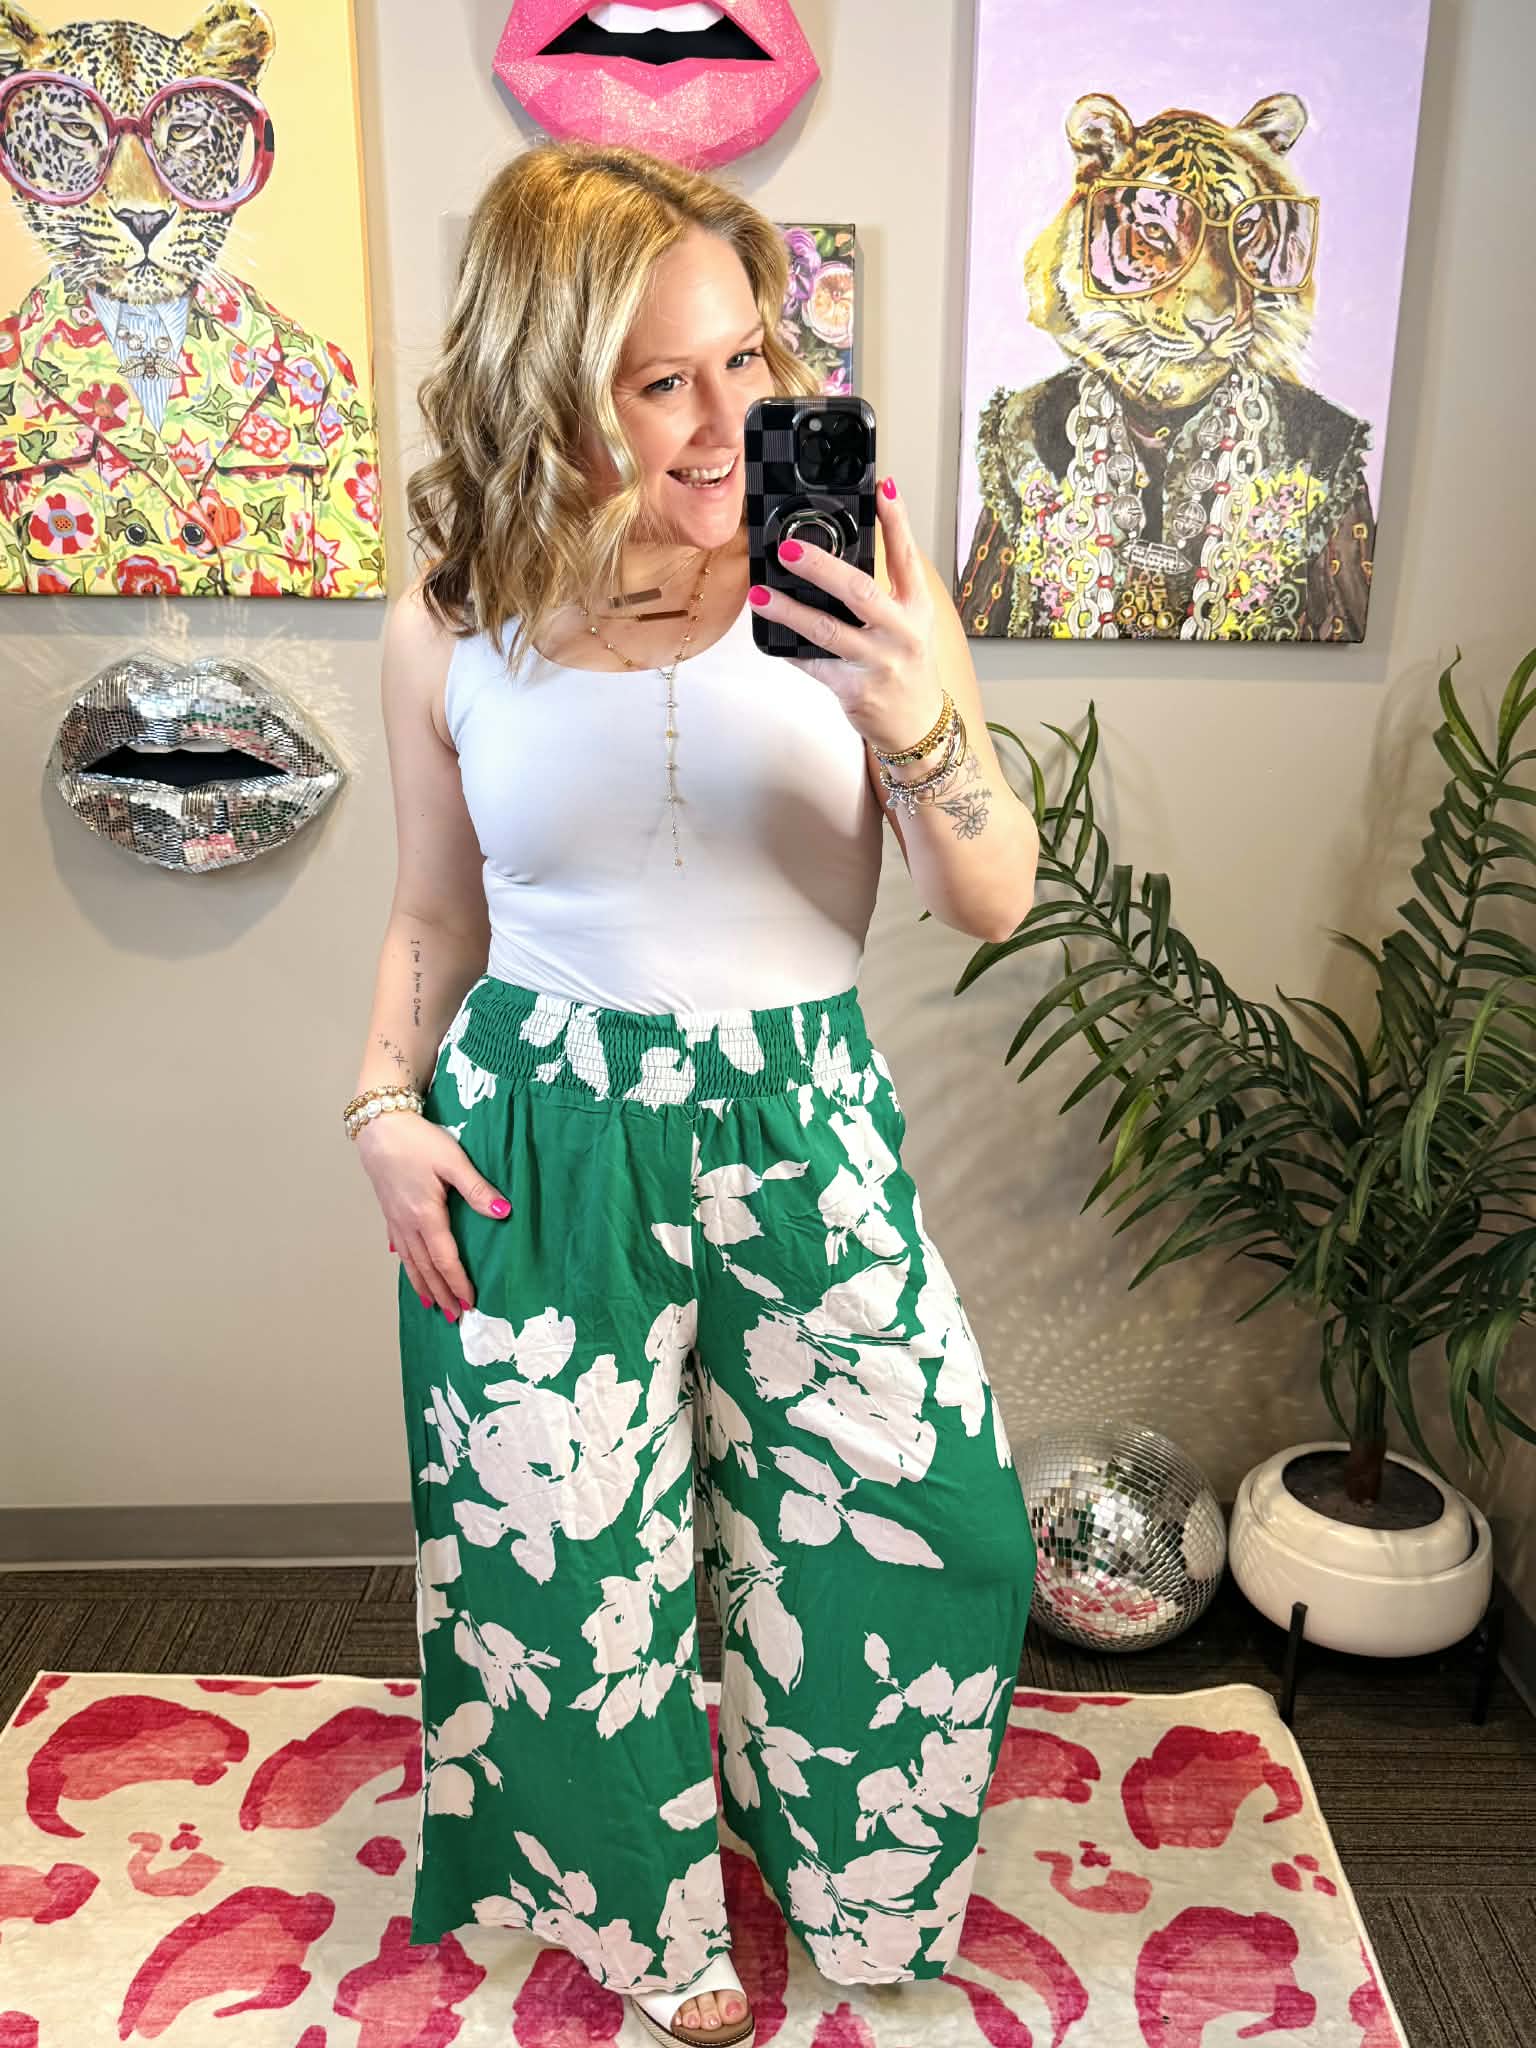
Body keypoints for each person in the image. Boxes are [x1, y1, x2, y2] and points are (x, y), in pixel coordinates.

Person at [346, 140, 1040, 2047]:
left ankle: (854, 1879)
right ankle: (650, 1929)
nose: (731, 419)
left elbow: (991, 893)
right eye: (665, 381)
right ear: (546, 386)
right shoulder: (450, 626)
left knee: (938, 1522)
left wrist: (913, 715)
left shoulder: (863, 577)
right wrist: (382, 1110)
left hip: (799, 1121)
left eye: (746, 358)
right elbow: (432, 913)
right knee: (567, 1571)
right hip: (536, 1133)